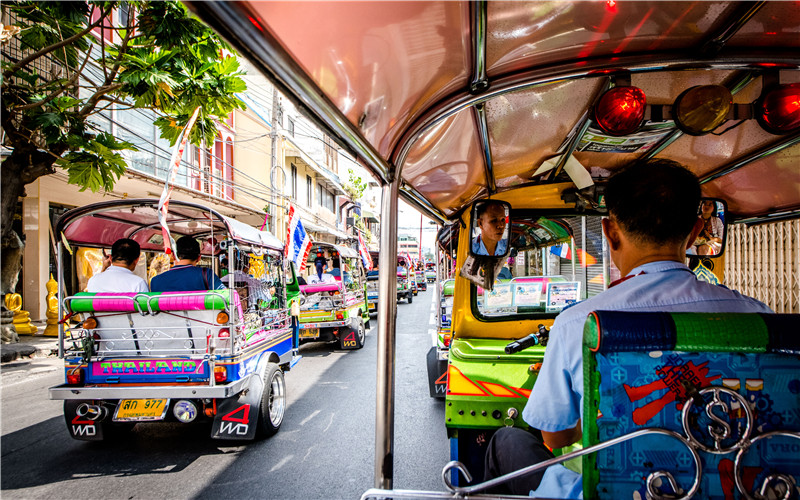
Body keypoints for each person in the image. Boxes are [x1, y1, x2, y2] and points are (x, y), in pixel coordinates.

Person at [483, 159, 772, 498]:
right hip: (740, 488)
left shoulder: (579, 324)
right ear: (695, 232)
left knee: (508, 440)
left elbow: (554, 436)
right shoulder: (758, 317)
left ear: (610, 232)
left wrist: (595, 415)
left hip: (606, 492)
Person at [150, 236, 224, 292]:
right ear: (199, 258)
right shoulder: (206, 274)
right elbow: (224, 296)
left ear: (173, 256)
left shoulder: (155, 281)